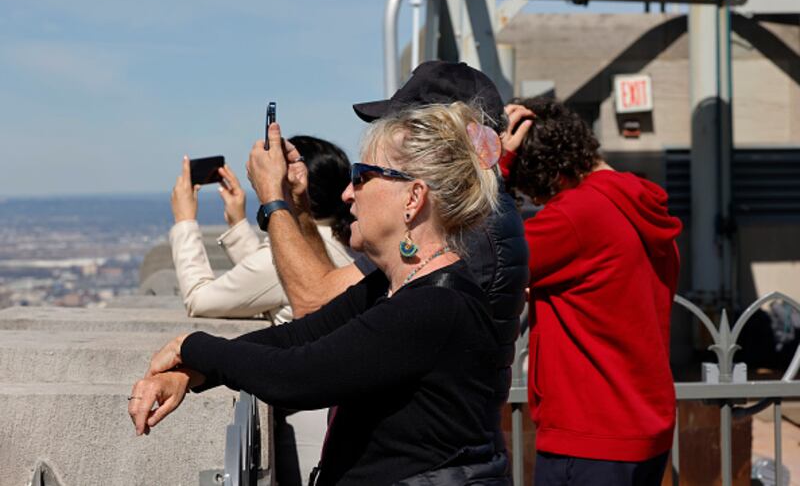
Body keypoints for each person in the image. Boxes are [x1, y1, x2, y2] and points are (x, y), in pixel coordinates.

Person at [129, 102, 512, 485]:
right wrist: (191, 373)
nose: (347, 194)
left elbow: (300, 376)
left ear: (412, 198)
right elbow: (298, 336)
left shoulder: (434, 307)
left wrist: (191, 346)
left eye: (362, 176)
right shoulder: (393, 287)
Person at [249, 61, 529, 458]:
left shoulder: (455, 230)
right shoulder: (476, 217)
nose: (353, 191)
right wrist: (299, 207)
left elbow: (315, 306)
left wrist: (273, 201)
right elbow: (328, 298)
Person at [500, 98, 682, 486]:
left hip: (588, 436)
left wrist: (496, 169)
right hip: (644, 427)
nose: (540, 205)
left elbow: (487, 259)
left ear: (553, 174)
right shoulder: (642, 204)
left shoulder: (577, 214)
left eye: (537, 195)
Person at [169, 136, 354, 322]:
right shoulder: (353, 243)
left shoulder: (290, 255)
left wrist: (184, 221)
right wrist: (237, 225)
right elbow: (267, 276)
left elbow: (199, 300)